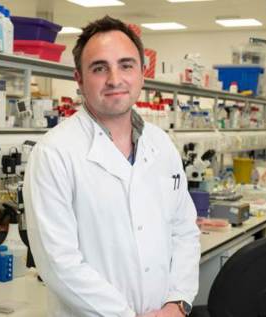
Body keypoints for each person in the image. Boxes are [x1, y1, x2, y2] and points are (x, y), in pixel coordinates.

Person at [24, 15, 200, 317]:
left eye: (126, 65)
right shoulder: (54, 153)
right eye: (99, 68)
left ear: (142, 73)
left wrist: (178, 302)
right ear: (78, 78)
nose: (114, 79)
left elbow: (184, 230)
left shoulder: (162, 145)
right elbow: (59, 262)